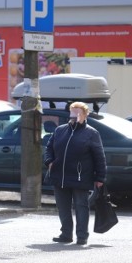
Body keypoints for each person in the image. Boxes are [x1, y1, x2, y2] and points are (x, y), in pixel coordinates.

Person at [44, 101, 106, 245]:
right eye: (72, 112)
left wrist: (100, 177)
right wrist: (49, 161)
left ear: (85, 115)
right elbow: (49, 148)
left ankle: (82, 236)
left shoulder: (91, 133)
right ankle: (66, 234)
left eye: (78, 113)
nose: (74, 116)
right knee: (63, 207)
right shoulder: (60, 130)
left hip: (80, 176)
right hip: (59, 175)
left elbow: (99, 156)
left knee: (81, 206)